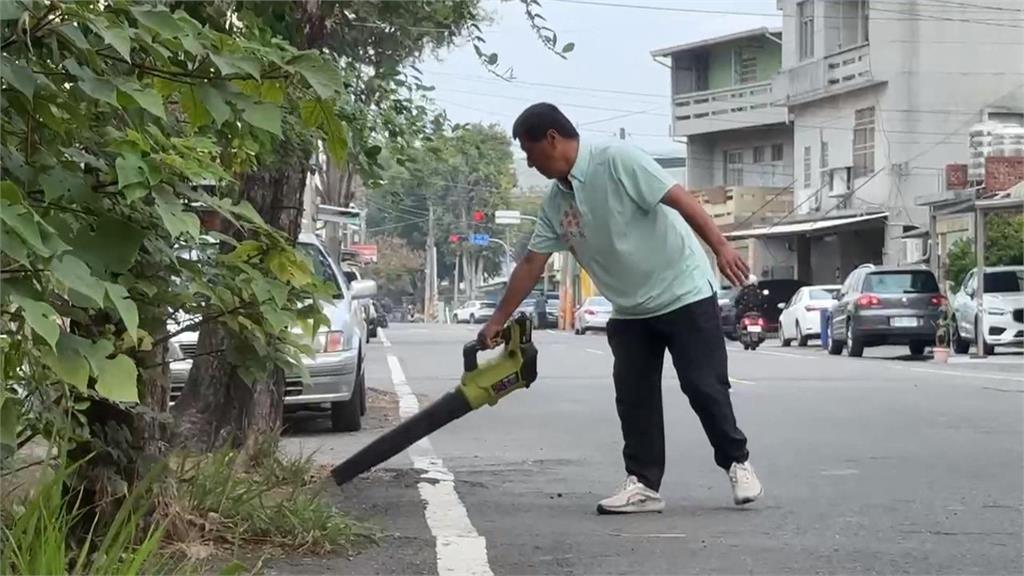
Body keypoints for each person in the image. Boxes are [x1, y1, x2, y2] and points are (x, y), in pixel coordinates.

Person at [477, 103, 763, 514]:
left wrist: (719, 246)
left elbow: (680, 199)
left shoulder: (616, 160)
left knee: (703, 386)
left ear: (553, 139)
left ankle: (737, 462)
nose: (529, 161)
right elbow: (530, 264)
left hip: (683, 292)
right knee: (633, 395)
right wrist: (497, 319)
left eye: (529, 150)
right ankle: (644, 484)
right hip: (630, 310)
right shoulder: (557, 202)